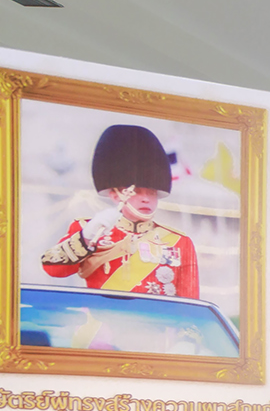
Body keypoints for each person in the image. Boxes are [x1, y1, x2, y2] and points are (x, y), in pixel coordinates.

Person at [41, 125, 200, 297]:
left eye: (152, 193)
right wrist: (86, 237)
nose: (145, 199)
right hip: (101, 314)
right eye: (136, 192)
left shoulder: (179, 242)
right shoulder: (89, 230)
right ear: (115, 195)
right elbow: (53, 268)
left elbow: (189, 300)